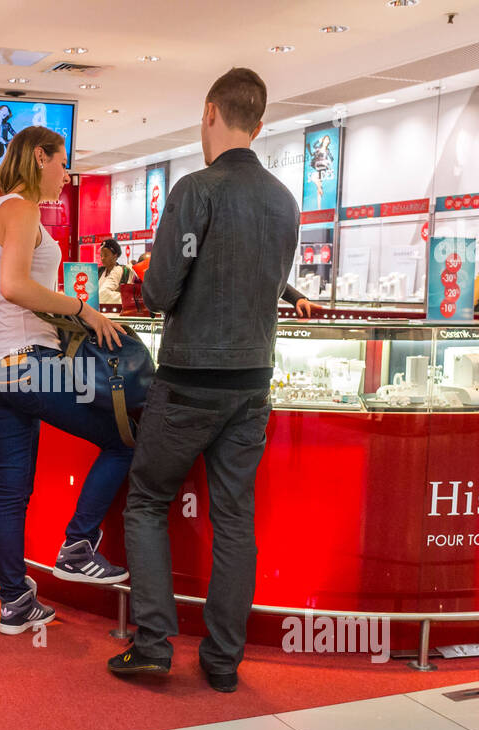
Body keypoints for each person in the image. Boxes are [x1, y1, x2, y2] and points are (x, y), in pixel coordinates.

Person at [110, 67, 299, 693]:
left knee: (146, 499)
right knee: (235, 519)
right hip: (254, 384)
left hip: (190, 379)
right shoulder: (284, 200)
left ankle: (154, 644)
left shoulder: (196, 189)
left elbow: (161, 289)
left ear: (210, 110)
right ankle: (222, 662)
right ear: (261, 123)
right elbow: (270, 286)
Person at [0, 125, 133, 637]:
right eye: (62, 163)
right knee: (123, 437)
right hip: (25, 364)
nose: (66, 175)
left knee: (13, 491)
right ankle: (78, 545)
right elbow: (14, 285)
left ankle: (16, 600)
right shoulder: (20, 209)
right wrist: (82, 310)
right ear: (40, 157)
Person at [97, 238, 135, 306]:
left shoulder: (121, 271)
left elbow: (102, 294)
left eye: (105, 255)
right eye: (101, 255)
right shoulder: (99, 271)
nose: (102, 258)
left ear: (115, 256)